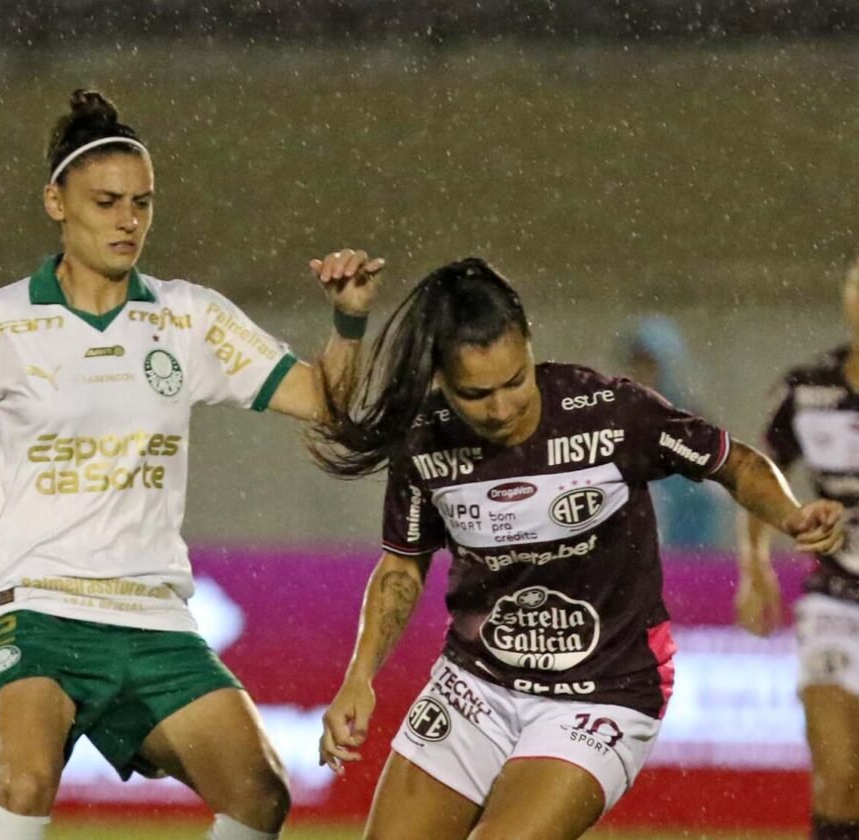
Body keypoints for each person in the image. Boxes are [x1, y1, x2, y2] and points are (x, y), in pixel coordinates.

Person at [0, 88, 382, 840]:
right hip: (31, 603)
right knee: (25, 778)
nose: (127, 221)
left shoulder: (186, 317)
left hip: (150, 613)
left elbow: (323, 401)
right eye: (106, 202)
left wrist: (350, 319)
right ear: (56, 202)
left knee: (262, 794)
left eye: (141, 203)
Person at [311, 257, 843, 840]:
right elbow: (402, 568)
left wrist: (791, 514)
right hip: (474, 685)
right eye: (476, 394)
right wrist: (360, 676)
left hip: (604, 691)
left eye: (515, 381)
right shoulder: (423, 440)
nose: (502, 408)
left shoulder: (610, 413)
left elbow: (732, 462)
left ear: (529, 343)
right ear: (440, 379)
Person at [738, 258, 859, 840]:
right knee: (838, 780)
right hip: (834, 599)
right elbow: (756, 474)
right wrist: (755, 564)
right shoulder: (807, 390)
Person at [617, 315, 725, 549]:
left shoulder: (689, 423)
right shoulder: (614, 417)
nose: (639, 373)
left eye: (649, 365)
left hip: (683, 552)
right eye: (635, 363)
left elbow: (711, 493)